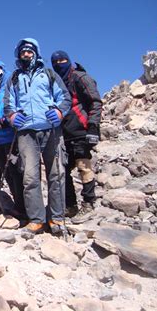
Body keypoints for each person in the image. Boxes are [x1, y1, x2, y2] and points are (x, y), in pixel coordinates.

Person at [4, 38, 71, 235]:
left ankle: (57, 219)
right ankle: (37, 220)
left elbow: (65, 97)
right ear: (19, 54)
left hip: (51, 129)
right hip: (26, 132)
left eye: (30, 51)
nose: (26, 54)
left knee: (56, 174)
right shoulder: (14, 78)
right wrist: (12, 116)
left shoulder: (49, 74)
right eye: (23, 51)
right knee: (30, 177)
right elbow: (9, 103)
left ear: (36, 53)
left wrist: (59, 112)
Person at [51, 50, 102, 223]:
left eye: (63, 60)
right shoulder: (56, 83)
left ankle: (89, 204)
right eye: (56, 62)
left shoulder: (79, 77)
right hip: (64, 134)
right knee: (63, 171)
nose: (60, 64)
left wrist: (93, 127)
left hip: (82, 130)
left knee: (83, 165)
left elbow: (95, 101)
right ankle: (71, 206)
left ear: (69, 60)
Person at [0, 61, 26, 220]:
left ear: (3, 72)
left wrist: (2, 123)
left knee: (16, 174)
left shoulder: (11, 88)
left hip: (10, 137)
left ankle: (24, 210)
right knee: (8, 175)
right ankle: (19, 207)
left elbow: (19, 111)